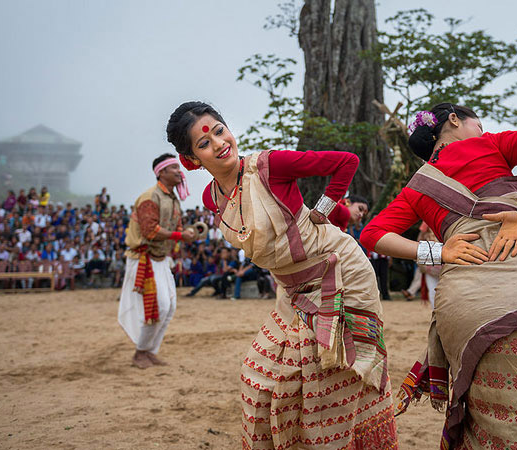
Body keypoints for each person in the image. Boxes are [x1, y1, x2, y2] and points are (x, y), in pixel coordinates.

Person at [167, 101, 398, 449]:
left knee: (327, 381)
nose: (219, 143)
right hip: (291, 289)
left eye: (219, 130)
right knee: (259, 377)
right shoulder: (211, 197)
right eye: (204, 143)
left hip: (339, 271)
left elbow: (346, 162)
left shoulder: (269, 166)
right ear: (192, 159)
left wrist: (323, 210)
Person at [360, 103, 517, 449]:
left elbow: (372, 234)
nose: (481, 131)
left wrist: (439, 252)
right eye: (478, 124)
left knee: (483, 409)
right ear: (455, 120)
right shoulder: (489, 145)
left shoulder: (417, 186)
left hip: (464, 300)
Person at [118, 153, 195, 369]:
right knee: (159, 306)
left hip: (160, 258)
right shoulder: (150, 197)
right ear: (161, 172)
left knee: (169, 307)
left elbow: (175, 227)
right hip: (144, 258)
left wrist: (185, 233)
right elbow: (150, 231)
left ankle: (149, 351)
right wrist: (180, 236)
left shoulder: (172, 198)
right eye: (174, 168)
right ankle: (140, 352)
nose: (179, 171)